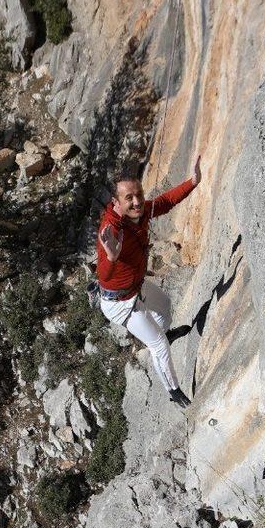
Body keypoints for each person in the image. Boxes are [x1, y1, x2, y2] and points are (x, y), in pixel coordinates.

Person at [97, 154, 202, 407]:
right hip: (120, 301)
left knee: (164, 306)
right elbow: (104, 276)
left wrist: (193, 182)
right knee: (158, 345)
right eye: (128, 198)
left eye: (138, 195)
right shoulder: (111, 231)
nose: (136, 202)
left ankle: (166, 334)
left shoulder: (141, 212)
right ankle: (174, 392)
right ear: (116, 202)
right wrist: (111, 257)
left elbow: (164, 202)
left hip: (136, 286)